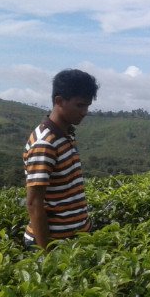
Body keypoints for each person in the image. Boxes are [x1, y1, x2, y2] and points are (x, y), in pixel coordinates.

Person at [23, 69, 99, 250]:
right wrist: (47, 253)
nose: (84, 112)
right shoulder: (45, 144)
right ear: (59, 101)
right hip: (56, 244)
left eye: (87, 106)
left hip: (74, 239)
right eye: (79, 105)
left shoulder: (65, 135)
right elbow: (34, 204)